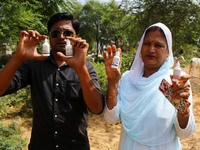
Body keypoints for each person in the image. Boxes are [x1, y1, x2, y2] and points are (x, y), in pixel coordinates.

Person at [0, 12, 104, 150]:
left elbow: (97, 108)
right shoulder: (34, 64)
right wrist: (17, 58)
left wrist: (80, 69)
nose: (61, 36)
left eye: (67, 33)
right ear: (49, 36)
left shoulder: (87, 68)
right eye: (55, 33)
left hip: (76, 146)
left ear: (76, 37)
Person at [103, 23, 196, 149]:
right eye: (147, 44)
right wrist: (113, 82)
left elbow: (184, 134)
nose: (151, 49)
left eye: (158, 45)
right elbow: (111, 118)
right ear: (141, 48)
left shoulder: (175, 81)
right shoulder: (127, 79)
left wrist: (183, 111)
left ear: (168, 52)